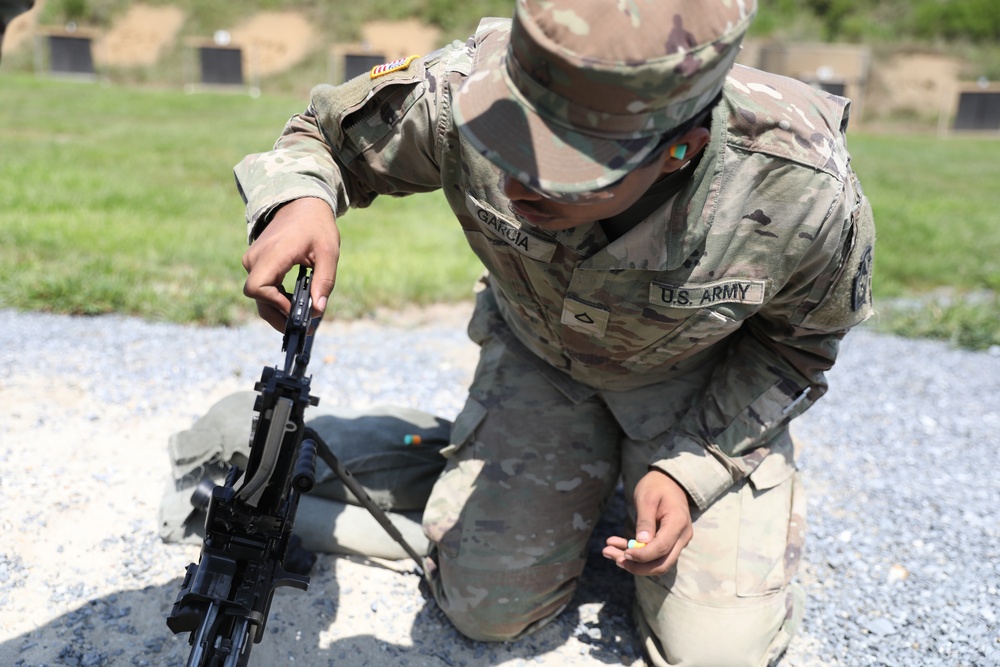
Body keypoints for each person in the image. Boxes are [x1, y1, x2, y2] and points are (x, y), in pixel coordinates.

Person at [234, 0, 875, 664]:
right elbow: (325, 133)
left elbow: (800, 346)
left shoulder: (800, 186)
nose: (514, 179)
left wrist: (693, 471)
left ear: (682, 148)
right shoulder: (462, 87)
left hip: (698, 389)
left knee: (717, 654)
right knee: (487, 610)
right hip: (540, 360)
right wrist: (298, 199)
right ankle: (368, 452)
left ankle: (620, 480)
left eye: (564, 172)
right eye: (504, 137)